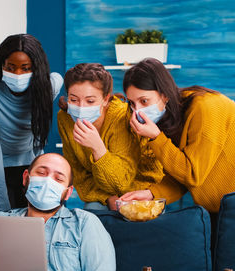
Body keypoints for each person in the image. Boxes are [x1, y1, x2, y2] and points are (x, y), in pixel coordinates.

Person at [119, 58, 235, 215]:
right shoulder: (171, 117)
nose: (138, 111)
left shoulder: (205, 108)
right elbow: (180, 173)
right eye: (133, 104)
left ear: (165, 95)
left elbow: (192, 175)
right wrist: (151, 194)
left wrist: (156, 138)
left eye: (144, 101)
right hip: (226, 206)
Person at [0, 34, 63, 214]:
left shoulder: (45, 88)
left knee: (30, 232)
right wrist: (1, 205)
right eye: (11, 68)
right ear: (1, 66)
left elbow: (58, 78)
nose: (17, 74)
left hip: (30, 169)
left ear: (36, 68)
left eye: (25, 68)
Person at [57, 63, 164, 211]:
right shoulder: (65, 119)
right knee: (92, 212)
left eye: (90, 101)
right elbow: (78, 173)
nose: (81, 108)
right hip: (101, 194)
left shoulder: (121, 117)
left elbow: (122, 182)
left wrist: (98, 148)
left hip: (141, 190)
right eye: (74, 100)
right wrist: (107, 198)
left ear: (106, 99)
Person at [0, 153, 116, 271]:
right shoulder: (0, 222)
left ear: (68, 192)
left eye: (58, 179)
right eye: (41, 173)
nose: (48, 181)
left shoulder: (84, 223)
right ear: (26, 177)